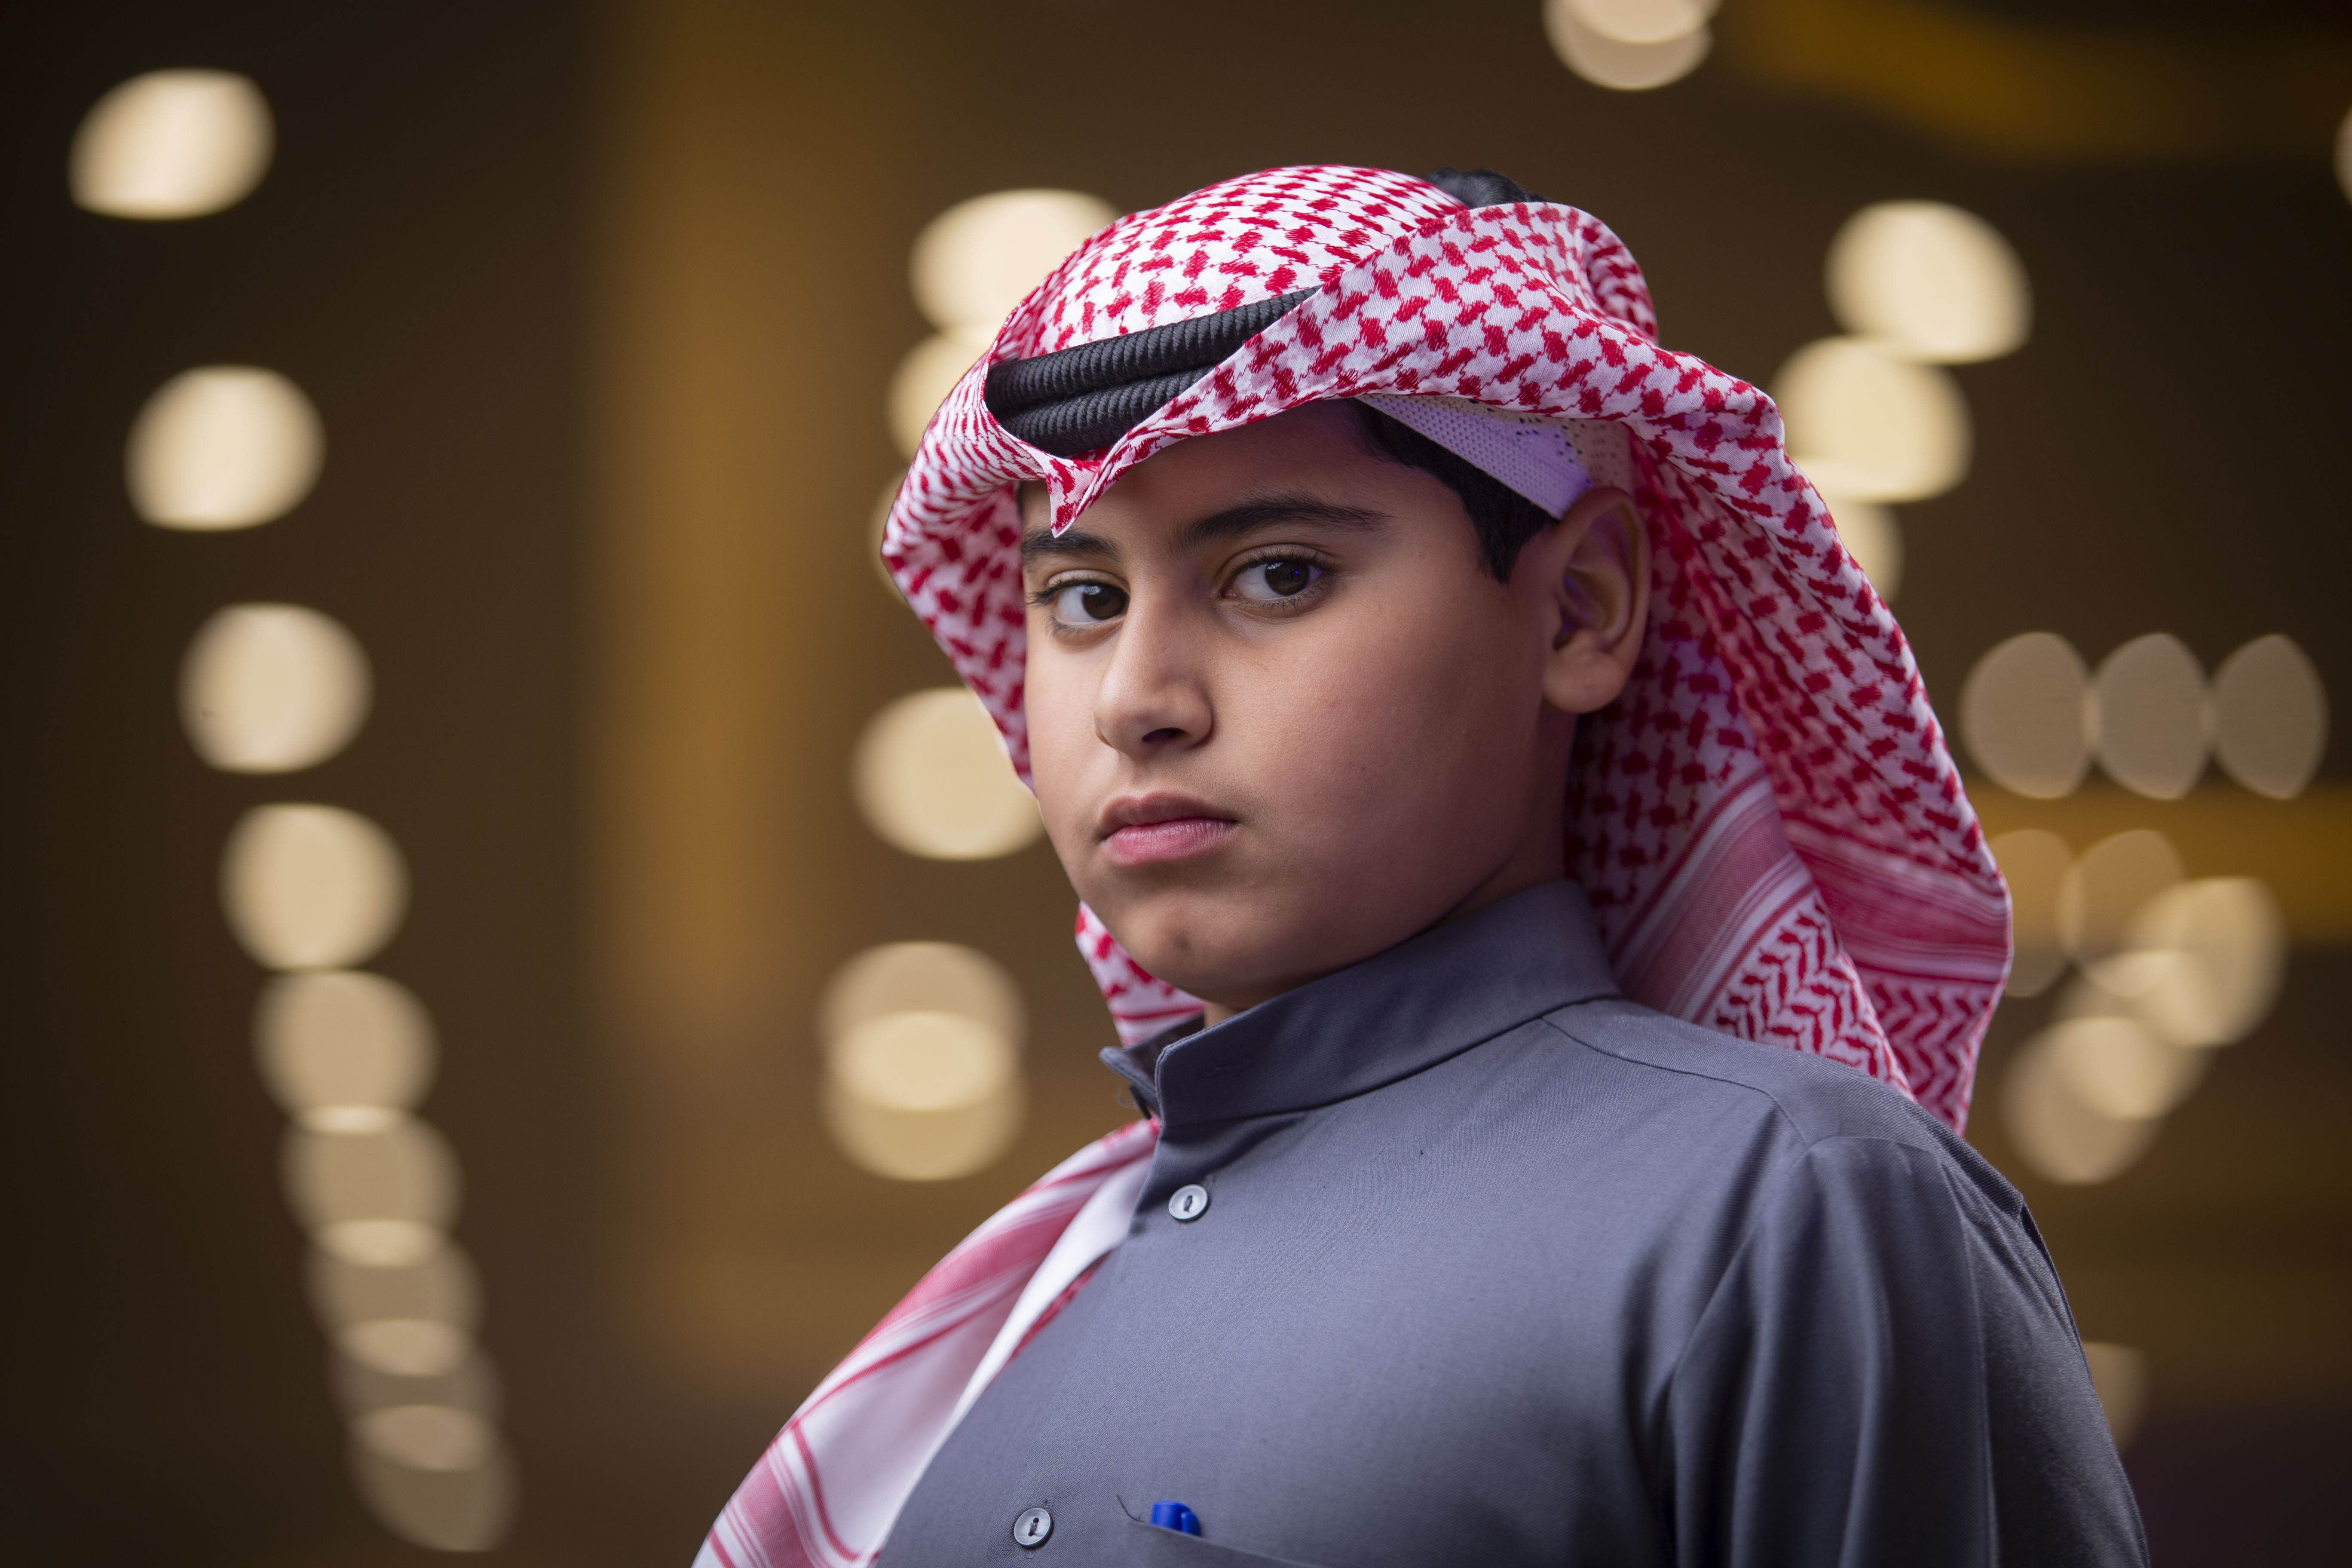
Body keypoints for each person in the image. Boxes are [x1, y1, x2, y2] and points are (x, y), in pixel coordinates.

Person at [696, 166, 2147, 1568]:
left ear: (1581, 610)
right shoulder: (1032, 1293)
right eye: (1081, 597)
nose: (1135, 698)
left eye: (1278, 574)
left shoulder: (1794, 1209)